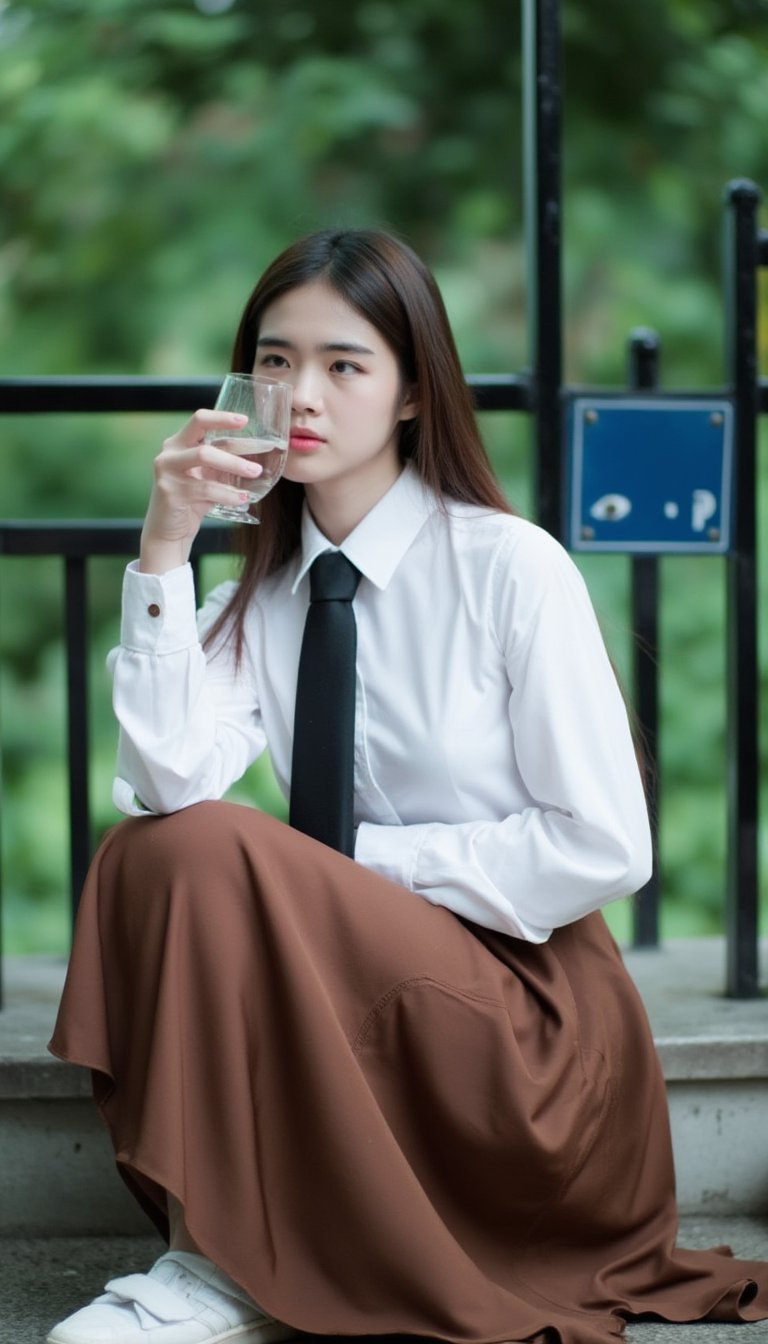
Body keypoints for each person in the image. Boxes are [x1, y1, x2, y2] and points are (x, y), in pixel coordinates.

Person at [48, 229, 768, 1344]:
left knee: (212, 854)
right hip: (362, 986)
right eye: (275, 361)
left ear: (411, 395)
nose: (301, 394)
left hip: (527, 1019)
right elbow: (161, 781)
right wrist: (164, 548)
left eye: (345, 365)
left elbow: (607, 847)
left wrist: (355, 874)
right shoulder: (269, 594)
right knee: (157, 847)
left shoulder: (507, 567)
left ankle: (226, 1263)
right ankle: (215, 1254)